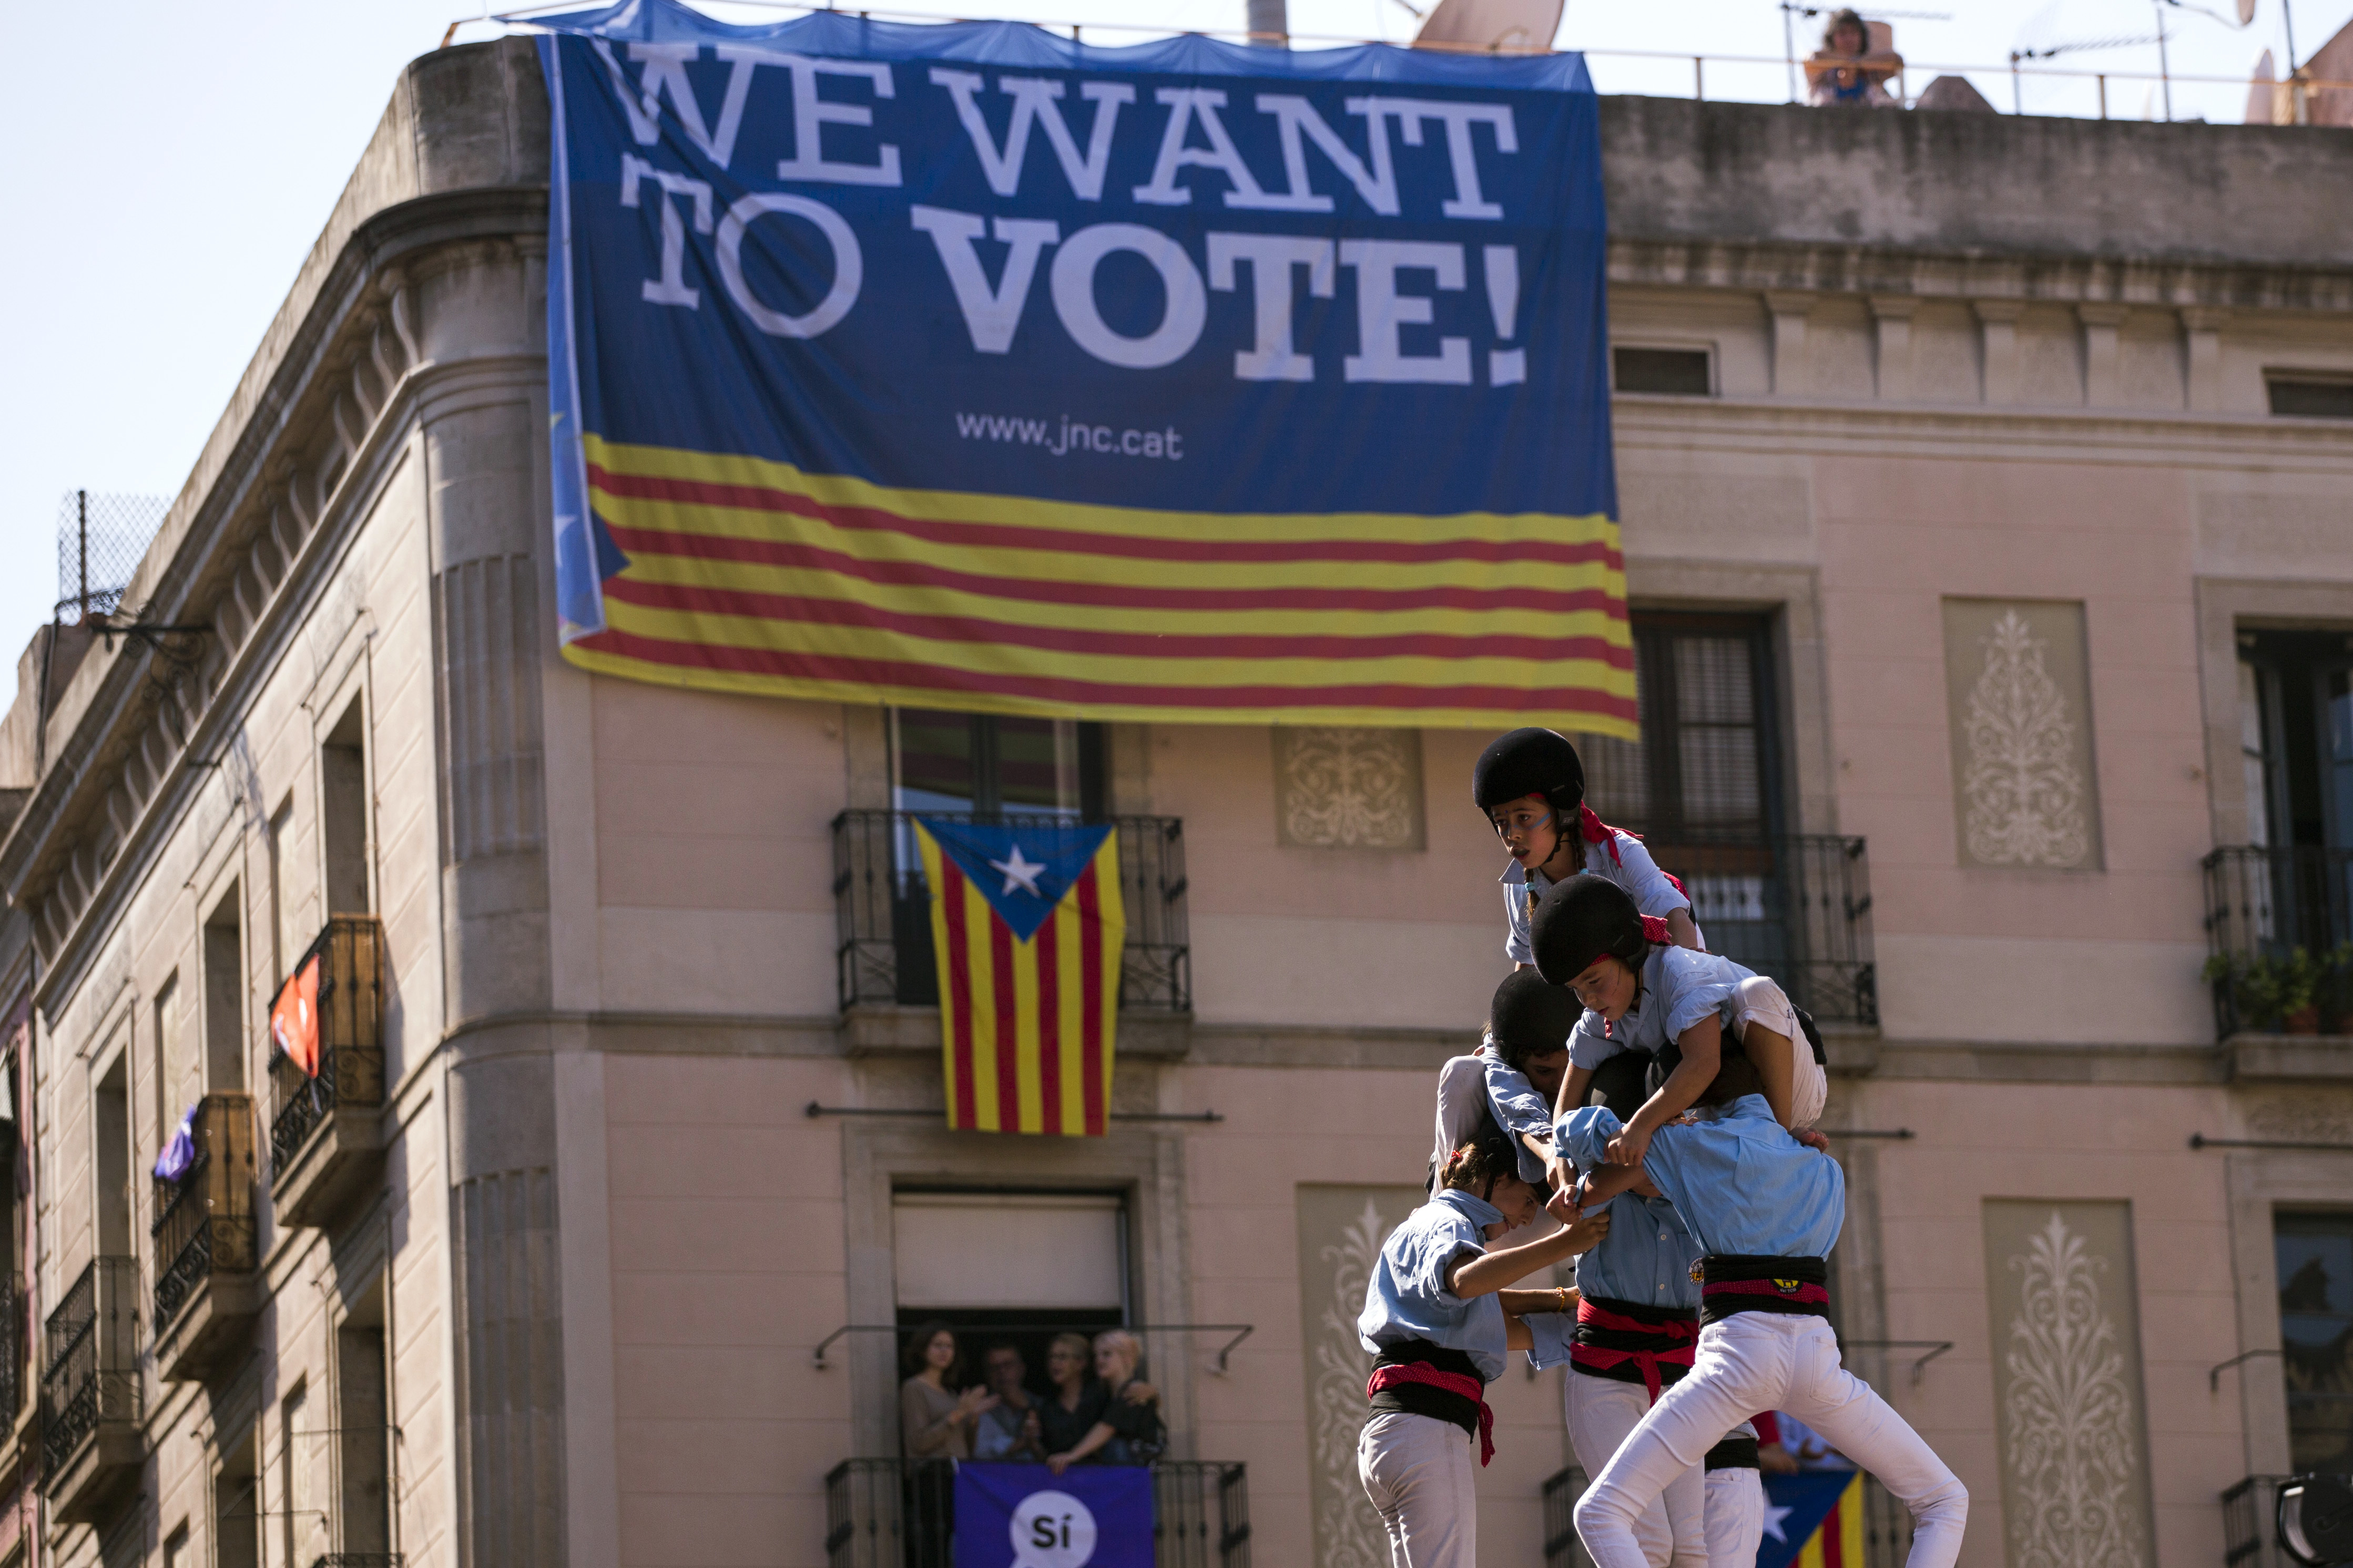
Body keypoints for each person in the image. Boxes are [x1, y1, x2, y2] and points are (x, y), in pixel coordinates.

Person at [1552, 1060, 1968, 1568]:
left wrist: (1640, 1120)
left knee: (1602, 1513)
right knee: (1945, 1500)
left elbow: (1575, 1134)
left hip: (1737, 1356)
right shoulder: (1822, 1166)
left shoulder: (1689, 1146)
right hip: (1815, 1358)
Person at [1515, 1070, 1763, 1568]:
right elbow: (1567, 1130)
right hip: (1608, 1378)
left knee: (1691, 1547)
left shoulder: (1698, 1197)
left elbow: (1750, 1132)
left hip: (1678, 1384)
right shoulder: (1598, 1194)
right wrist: (1632, 1135)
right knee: (1647, 1543)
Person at [1358, 1131, 1612, 1568]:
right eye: (1529, 1199)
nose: (1529, 1217)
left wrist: (1560, 1300)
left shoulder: (1422, 1222)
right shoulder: (1449, 1222)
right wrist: (1565, 1244)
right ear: (1494, 1179)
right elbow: (1466, 1282)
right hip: (1424, 1430)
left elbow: (1477, 1307)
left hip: (1392, 1433)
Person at [1532, 876, 1827, 1163]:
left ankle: (1781, 1138)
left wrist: (1640, 1126)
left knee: (1756, 992)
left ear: (1629, 954)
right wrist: (1564, 1176)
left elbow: (1703, 1062)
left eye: (1594, 982)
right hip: (1729, 1105)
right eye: (1577, 991)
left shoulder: (1680, 973)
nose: (1589, 1001)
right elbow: (1565, 1109)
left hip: (1794, 1085)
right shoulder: (1600, 1016)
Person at [1474, 728, 1704, 970]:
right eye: (1501, 822)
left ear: (1562, 812)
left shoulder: (1621, 853)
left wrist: (1686, 987)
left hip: (1666, 976)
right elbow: (1529, 966)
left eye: (1524, 817)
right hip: (1593, 1000)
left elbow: (1672, 915)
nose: (1512, 834)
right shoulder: (1518, 887)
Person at [1046, 1330, 1164, 1472]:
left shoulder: (1132, 1392)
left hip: (1138, 1477)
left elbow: (1107, 1427)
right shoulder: (1106, 1395)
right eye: (1097, 1355)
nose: (1099, 1360)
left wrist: (1072, 1456)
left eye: (1107, 1354)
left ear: (1127, 1357)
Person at [899, 1322, 995, 1460]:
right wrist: (959, 1413)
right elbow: (919, 1443)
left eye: (950, 1346)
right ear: (922, 1349)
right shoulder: (914, 1387)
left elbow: (967, 1448)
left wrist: (973, 1416)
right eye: (938, 1345)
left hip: (958, 1474)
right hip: (934, 1474)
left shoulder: (951, 1395)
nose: (944, 1351)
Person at [1035, 1331, 1110, 1463]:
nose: (1054, 1363)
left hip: (1100, 1478)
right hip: (1063, 1480)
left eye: (1062, 1357)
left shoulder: (1101, 1396)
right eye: (1051, 1357)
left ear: (1081, 1363)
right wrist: (1031, 1441)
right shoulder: (1047, 1407)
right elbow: (1046, 1457)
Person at [1806, 8, 1901, 107]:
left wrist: (1856, 64)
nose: (1849, 39)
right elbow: (1812, 59)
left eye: (1854, 32)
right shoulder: (1822, 71)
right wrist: (1849, 63)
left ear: (1862, 36)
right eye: (1842, 33)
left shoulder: (1871, 71)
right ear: (1832, 38)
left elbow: (1897, 60)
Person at [972, 1341, 1043, 1462]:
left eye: (1008, 1365)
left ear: (1022, 1369)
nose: (1002, 1372)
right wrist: (1019, 1444)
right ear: (987, 1374)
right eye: (995, 1368)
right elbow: (979, 1454)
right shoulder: (980, 1411)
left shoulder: (1042, 1407)